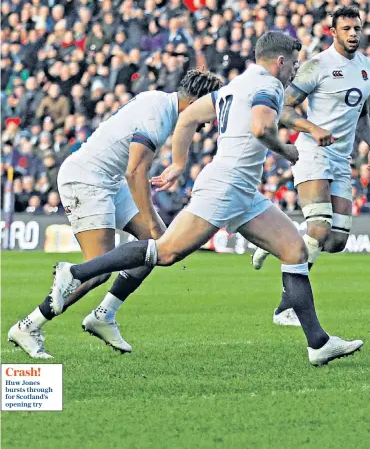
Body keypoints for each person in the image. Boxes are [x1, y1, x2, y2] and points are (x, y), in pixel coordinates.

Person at [49, 32, 363, 366]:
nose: (294, 72)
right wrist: (286, 149)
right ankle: (77, 272)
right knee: (165, 251)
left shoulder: (237, 84)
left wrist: (179, 164)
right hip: (226, 186)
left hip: (242, 191)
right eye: (294, 64)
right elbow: (260, 128)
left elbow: (188, 118)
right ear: (280, 61)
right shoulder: (271, 85)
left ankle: (318, 343)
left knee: (294, 250)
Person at [8, 70, 223, 359]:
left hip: (109, 179)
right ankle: (28, 326)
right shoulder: (159, 114)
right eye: (211, 109)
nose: (210, 120)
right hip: (86, 179)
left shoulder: (161, 102)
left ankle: (104, 314)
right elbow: (135, 171)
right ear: (198, 100)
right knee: (99, 269)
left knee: (155, 245)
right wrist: (148, 215)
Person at [252, 6, 370, 326]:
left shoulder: (366, 68)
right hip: (313, 150)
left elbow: (364, 116)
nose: (353, 34)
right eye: (346, 28)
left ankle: (283, 241)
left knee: (336, 240)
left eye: (357, 28)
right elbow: (285, 108)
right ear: (333, 32)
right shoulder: (317, 65)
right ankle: (286, 306)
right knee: (319, 227)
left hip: (341, 158)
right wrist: (311, 128)